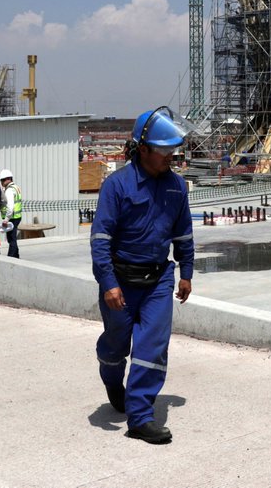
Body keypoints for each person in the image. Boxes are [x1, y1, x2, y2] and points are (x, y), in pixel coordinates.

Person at [91, 107, 194, 445]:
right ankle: (112, 378)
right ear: (144, 149)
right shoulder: (117, 186)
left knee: (152, 346)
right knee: (116, 344)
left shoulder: (176, 186)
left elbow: (183, 233)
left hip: (159, 280)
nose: (171, 157)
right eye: (165, 151)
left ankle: (140, 417)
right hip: (121, 281)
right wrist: (108, 283)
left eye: (173, 150)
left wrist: (186, 271)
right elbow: (100, 239)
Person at [0, 170, 23, 258]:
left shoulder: (9, 190)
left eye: (3, 180)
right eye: (1, 180)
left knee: (11, 239)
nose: (1, 182)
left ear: (8, 179)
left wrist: (6, 219)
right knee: (13, 238)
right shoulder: (16, 187)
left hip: (12, 218)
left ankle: (11, 258)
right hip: (17, 216)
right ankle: (16, 256)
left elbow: (10, 207)